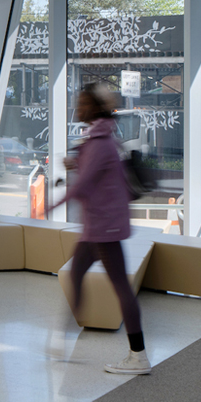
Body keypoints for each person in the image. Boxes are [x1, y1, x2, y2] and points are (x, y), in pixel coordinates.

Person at [51, 83, 151, 375]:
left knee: (120, 287)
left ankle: (138, 355)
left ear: (94, 108)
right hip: (98, 225)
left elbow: (85, 184)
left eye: (81, 104)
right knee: (77, 273)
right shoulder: (99, 138)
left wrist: (53, 205)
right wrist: (75, 163)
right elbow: (96, 174)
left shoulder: (101, 141)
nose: (76, 109)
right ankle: (63, 338)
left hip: (104, 228)